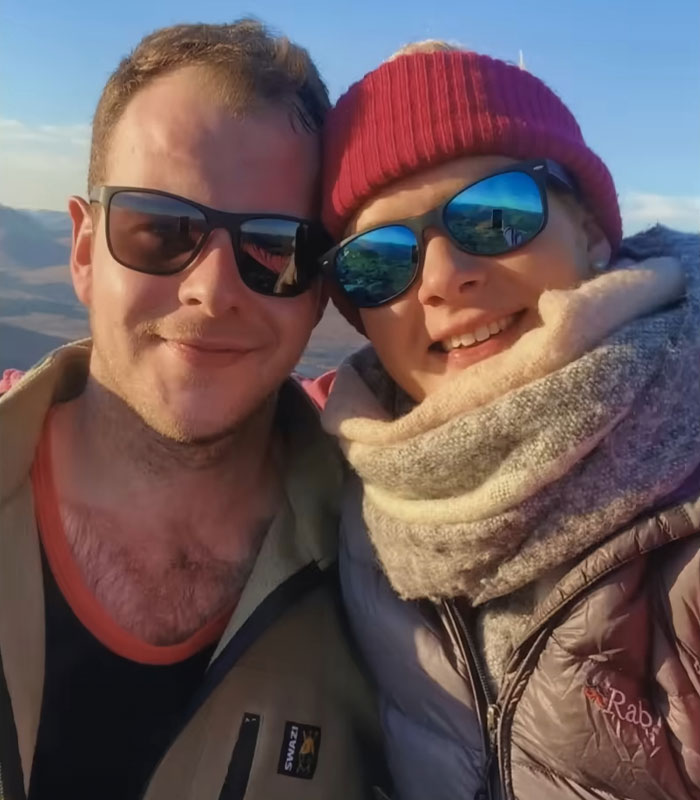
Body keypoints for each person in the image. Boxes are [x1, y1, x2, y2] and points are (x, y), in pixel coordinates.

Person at [0, 21, 387, 800]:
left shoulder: (390, 579)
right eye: (161, 229)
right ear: (83, 251)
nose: (213, 290)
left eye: (275, 250)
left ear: (317, 291)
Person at [316, 42, 700, 800]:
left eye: (495, 215)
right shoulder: (367, 494)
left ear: (591, 231)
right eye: (378, 260)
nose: (439, 279)